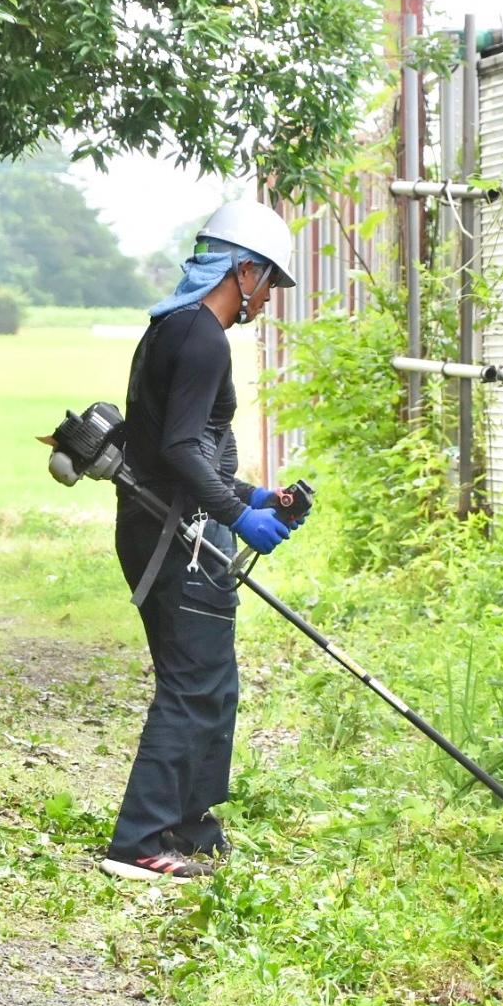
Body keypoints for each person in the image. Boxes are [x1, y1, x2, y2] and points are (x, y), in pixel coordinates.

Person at [100, 200, 309, 882]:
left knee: (212, 682)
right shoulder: (201, 336)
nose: (270, 297)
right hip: (176, 535)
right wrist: (235, 514)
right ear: (241, 270)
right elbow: (182, 446)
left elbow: (186, 453)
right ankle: (138, 841)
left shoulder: (173, 328)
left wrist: (254, 498)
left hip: (170, 521)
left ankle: (190, 820)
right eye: (270, 281)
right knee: (192, 686)